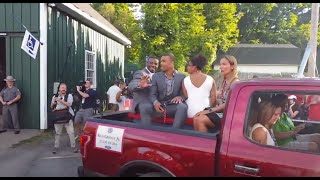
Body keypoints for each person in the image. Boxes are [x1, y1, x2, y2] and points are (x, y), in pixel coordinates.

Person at [193, 55, 239, 133]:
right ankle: (199, 142)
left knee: (200, 119)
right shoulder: (224, 81)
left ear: (232, 66)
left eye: (224, 64)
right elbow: (219, 97)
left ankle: (204, 144)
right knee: (196, 117)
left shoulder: (235, 83)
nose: (221, 67)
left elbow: (228, 104)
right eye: (220, 64)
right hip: (219, 112)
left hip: (228, 115)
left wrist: (210, 110)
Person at [142, 53, 188, 128]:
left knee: (183, 107)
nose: (161, 64)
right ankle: (146, 133)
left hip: (172, 106)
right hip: (159, 107)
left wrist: (180, 97)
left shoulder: (182, 77)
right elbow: (152, 94)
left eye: (164, 61)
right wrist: (155, 102)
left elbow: (185, 95)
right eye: (161, 62)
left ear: (171, 63)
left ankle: (174, 134)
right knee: (145, 107)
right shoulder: (156, 76)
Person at [50, 83, 77, 154]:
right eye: (62, 87)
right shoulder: (55, 96)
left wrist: (60, 100)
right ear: (59, 89)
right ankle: (56, 147)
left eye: (65, 88)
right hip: (58, 116)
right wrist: (53, 102)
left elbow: (69, 104)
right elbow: (52, 107)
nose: (63, 89)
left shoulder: (69, 95)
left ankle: (73, 146)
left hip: (67, 116)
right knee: (57, 133)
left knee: (71, 132)